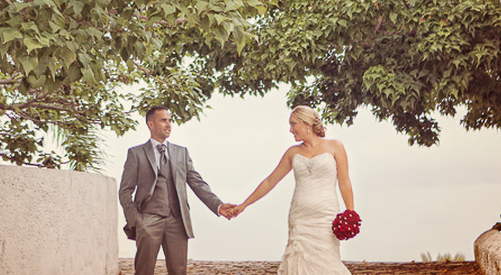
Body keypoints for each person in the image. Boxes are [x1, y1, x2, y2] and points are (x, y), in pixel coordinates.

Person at [225, 105, 354, 275]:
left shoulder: (335, 146)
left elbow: (344, 183)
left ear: (307, 123)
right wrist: (244, 205)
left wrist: (350, 214)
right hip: (300, 217)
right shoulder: (292, 153)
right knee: (297, 263)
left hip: (326, 216)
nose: (290, 129)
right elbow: (270, 181)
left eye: (294, 124)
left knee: (327, 262)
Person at [119, 106, 236, 275]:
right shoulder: (136, 153)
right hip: (148, 220)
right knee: (143, 271)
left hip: (177, 221)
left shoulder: (181, 153)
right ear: (150, 124)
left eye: (170, 120)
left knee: (179, 271)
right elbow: (124, 191)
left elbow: (197, 183)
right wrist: (136, 220)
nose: (169, 124)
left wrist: (218, 205)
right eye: (163, 120)